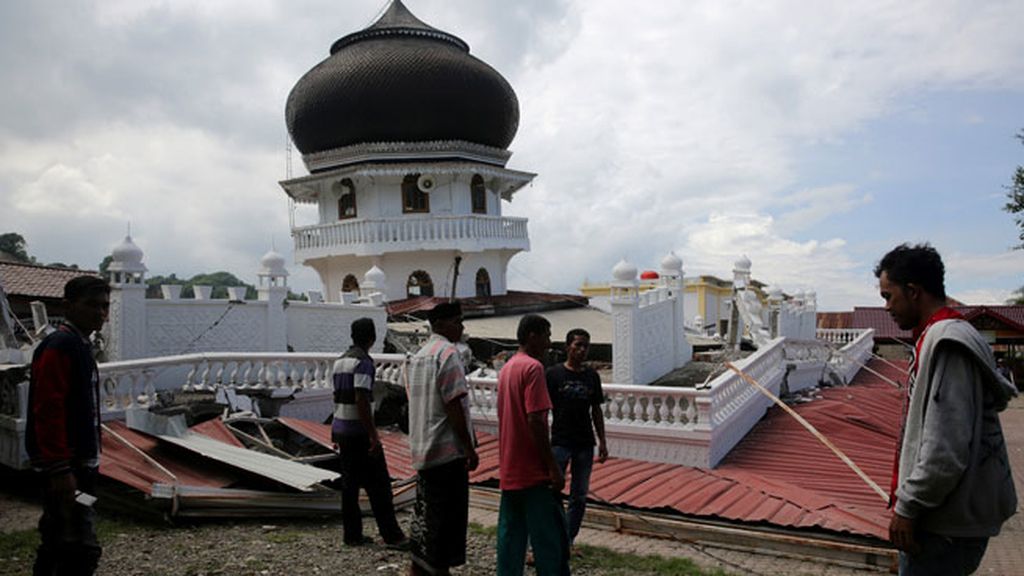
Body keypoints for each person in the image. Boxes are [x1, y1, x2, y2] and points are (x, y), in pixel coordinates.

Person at [875, 243, 1017, 575]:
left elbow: (945, 448)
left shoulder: (947, 343)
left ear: (913, 291)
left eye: (888, 296)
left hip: (943, 527)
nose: (886, 307)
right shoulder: (940, 335)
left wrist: (908, 507)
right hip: (947, 521)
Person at [26, 275, 110, 575]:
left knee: (65, 530)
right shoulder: (61, 346)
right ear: (68, 305)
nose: (100, 313)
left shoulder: (79, 345)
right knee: (78, 544)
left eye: (105, 306)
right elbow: (48, 408)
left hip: (81, 468)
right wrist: (60, 469)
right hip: (65, 470)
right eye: (91, 305)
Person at [405, 302, 479, 576]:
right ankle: (437, 569)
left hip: (423, 449)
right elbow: (453, 405)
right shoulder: (448, 354)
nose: (461, 327)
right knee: (445, 521)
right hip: (447, 451)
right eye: (458, 321)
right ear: (443, 324)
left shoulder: (419, 355)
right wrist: (469, 448)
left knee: (425, 515)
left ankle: (419, 566)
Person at [496, 314, 569, 576]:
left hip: (510, 466)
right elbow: (536, 419)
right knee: (548, 540)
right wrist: (552, 467)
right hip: (531, 469)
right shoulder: (533, 368)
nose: (549, 343)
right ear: (532, 336)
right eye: (547, 336)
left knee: (510, 538)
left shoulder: (507, 368)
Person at [332, 317, 408, 549]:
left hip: (343, 430)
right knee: (380, 486)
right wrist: (373, 436)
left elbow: (337, 398)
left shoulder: (340, 362)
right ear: (372, 338)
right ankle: (392, 536)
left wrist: (334, 431)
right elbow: (362, 398)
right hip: (359, 433)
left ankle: (352, 534)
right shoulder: (363, 362)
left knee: (350, 486)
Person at [546, 329, 608, 552]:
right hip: (560, 442)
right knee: (553, 492)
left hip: (584, 443)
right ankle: (549, 539)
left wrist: (602, 441)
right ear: (567, 347)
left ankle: (568, 541)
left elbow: (596, 410)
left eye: (586, 346)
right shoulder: (553, 375)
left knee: (579, 496)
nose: (582, 350)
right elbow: (541, 410)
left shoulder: (592, 376)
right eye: (578, 345)